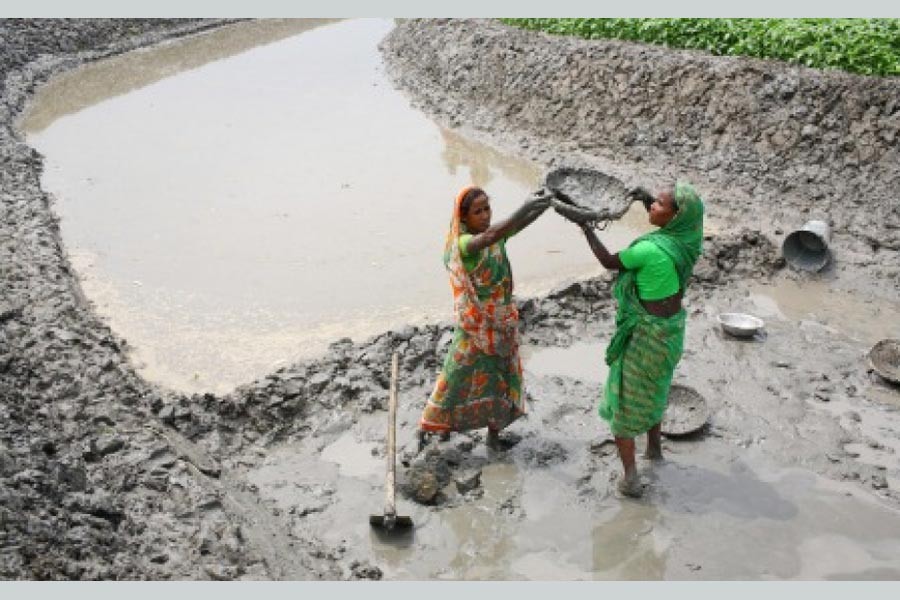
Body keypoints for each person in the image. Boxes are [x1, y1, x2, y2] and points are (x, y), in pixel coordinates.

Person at [560, 181, 704, 497]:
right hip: (671, 333)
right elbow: (666, 219)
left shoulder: (649, 250)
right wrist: (646, 200)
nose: (652, 206)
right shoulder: (689, 242)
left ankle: (631, 479)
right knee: (656, 387)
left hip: (644, 335)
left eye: (658, 204)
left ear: (675, 216)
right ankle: (654, 449)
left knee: (623, 403)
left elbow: (610, 262)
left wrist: (586, 228)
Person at [419, 185, 552, 450]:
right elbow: (492, 235)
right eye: (477, 211)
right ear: (464, 217)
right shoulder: (464, 244)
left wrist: (546, 203)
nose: (484, 215)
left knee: (500, 377)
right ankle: (434, 424)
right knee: (456, 373)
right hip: (476, 323)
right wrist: (525, 206)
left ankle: (494, 434)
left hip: (502, 321)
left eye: (487, 209)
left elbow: (515, 225)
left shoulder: (496, 235)